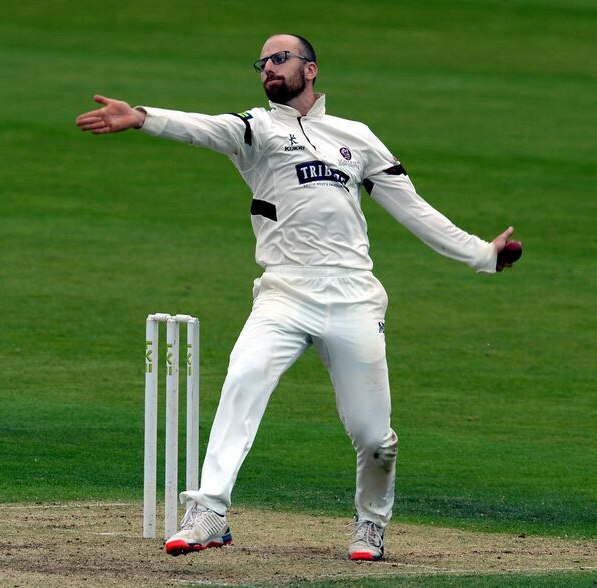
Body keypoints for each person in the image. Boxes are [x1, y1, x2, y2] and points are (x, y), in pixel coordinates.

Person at [76, 33, 519, 561]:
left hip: (354, 297)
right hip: (285, 292)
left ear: (310, 69)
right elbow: (207, 129)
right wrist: (144, 116)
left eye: (279, 58)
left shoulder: (356, 137)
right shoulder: (257, 129)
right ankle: (209, 509)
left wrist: (482, 255)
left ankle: (370, 526)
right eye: (261, 62)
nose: (267, 67)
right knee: (243, 377)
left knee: (375, 439)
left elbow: (413, 208)